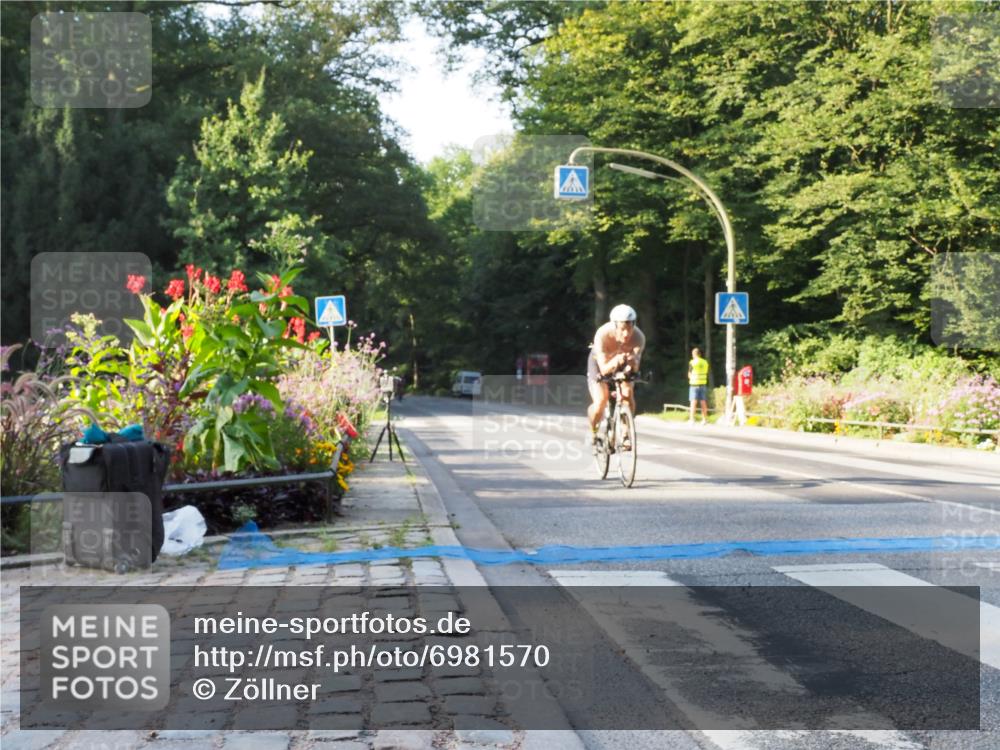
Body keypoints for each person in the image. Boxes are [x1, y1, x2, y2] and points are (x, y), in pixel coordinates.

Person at [587, 304, 646, 445]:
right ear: (614, 326)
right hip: (600, 364)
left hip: (622, 363)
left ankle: (625, 433)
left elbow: (635, 368)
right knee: (601, 400)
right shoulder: (602, 334)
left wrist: (632, 363)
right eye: (622, 329)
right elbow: (604, 369)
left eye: (630, 328)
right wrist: (615, 360)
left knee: (627, 392)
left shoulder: (639, 337)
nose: (627, 334)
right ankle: (593, 430)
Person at [688, 347, 709, 425]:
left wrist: (691, 378)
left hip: (694, 384)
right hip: (703, 384)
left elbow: (689, 374)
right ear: (700, 354)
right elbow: (706, 372)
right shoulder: (705, 362)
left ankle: (692, 419)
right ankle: (704, 419)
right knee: (703, 402)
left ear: (694, 354)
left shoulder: (692, 362)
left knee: (693, 402)